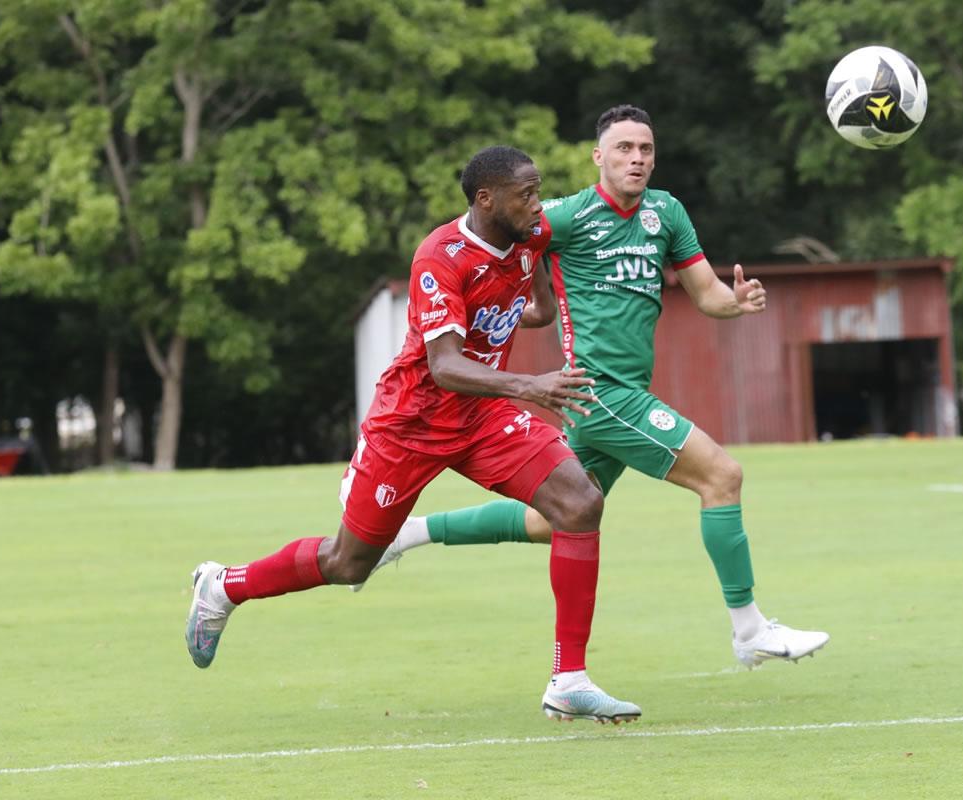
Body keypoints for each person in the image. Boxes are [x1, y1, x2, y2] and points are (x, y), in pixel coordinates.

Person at [355, 106, 830, 669]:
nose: (637, 159)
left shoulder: (666, 212)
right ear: (598, 157)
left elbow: (706, 295)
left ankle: (408, 535)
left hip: (617, 393)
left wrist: (739, 303)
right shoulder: (566, 216)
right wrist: (512, 308)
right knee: (723, 476)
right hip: (600, 392)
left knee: (547, 519)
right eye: (624, 148)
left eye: (646, 150)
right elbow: (501, 239)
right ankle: (749, 630)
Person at [185, 145, 641, 725]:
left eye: (537, 190)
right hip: (412, 423)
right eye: (525, 193)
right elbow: (446, 365)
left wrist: (537, 276)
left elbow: (537, 309)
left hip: (483, 414)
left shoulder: (531, 231)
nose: (536, 202)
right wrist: (531, 384)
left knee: (579, 503)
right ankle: (225, 586)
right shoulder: (439, 257)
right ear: (486, 199)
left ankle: (569, 678)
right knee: (350, 562)